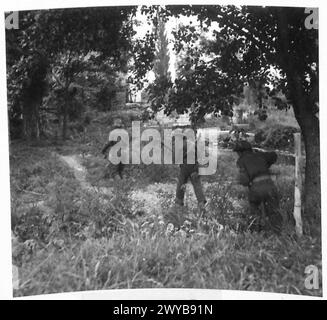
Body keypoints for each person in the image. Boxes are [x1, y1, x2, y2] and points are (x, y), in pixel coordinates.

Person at [233, 140, 283, 234]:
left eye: (238, 152)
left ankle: (256, 232)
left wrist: (245, 182)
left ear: (241, 152)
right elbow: (273, 155)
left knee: (255, 211)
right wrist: (265, 165)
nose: (237, 154)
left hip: (256, 188)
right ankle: (277, 233)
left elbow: (244, 180)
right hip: (269, 185)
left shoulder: (241, 161)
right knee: (274, 211)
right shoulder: (260, 155)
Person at [174, 134, 207, 212]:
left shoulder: (179, 145)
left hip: (184, 167)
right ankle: (201, 203)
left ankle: (179, 203)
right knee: (197, 185)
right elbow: (200, 156)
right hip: (194, 166)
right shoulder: (192, 144)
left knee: (181, 184)